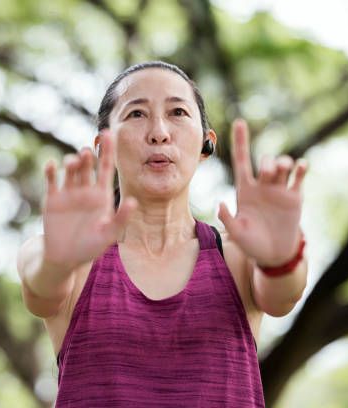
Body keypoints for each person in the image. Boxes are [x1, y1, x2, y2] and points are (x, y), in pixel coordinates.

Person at [16, 61, 308, 407]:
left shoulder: (237, 257)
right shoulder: (66, 258)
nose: (159, 132)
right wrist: (58, 261)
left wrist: (280, 259)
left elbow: (282, 296)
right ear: (102, 145)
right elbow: (42, 288)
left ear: (206, 144)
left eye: (178, 112)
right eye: (136, 114)